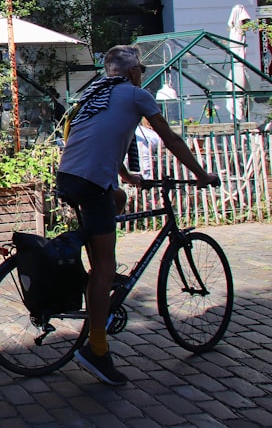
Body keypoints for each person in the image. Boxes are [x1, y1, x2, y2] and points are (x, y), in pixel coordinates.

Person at [56, 45, 219, 386]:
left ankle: (97, 275)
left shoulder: (94, 93)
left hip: (69, 176)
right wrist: (201, 174)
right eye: (140, 69)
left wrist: (127, 178)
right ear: (132, 73)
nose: (142, 74)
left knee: (117, 199)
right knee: (106, 265)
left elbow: (101, 139)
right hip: (89, 182)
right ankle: (96, 350)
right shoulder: (136, 95)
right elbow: (170, 138)